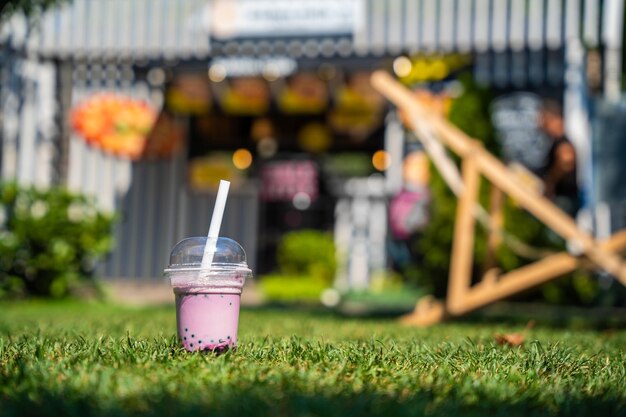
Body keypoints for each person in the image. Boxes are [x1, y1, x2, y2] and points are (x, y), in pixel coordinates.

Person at [539, 100, 580, 217]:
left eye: (544, 121)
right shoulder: (558, 141)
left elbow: (566, 160)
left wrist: (551, 181)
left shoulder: (562, 140)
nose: (542, 126)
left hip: (567, 199)